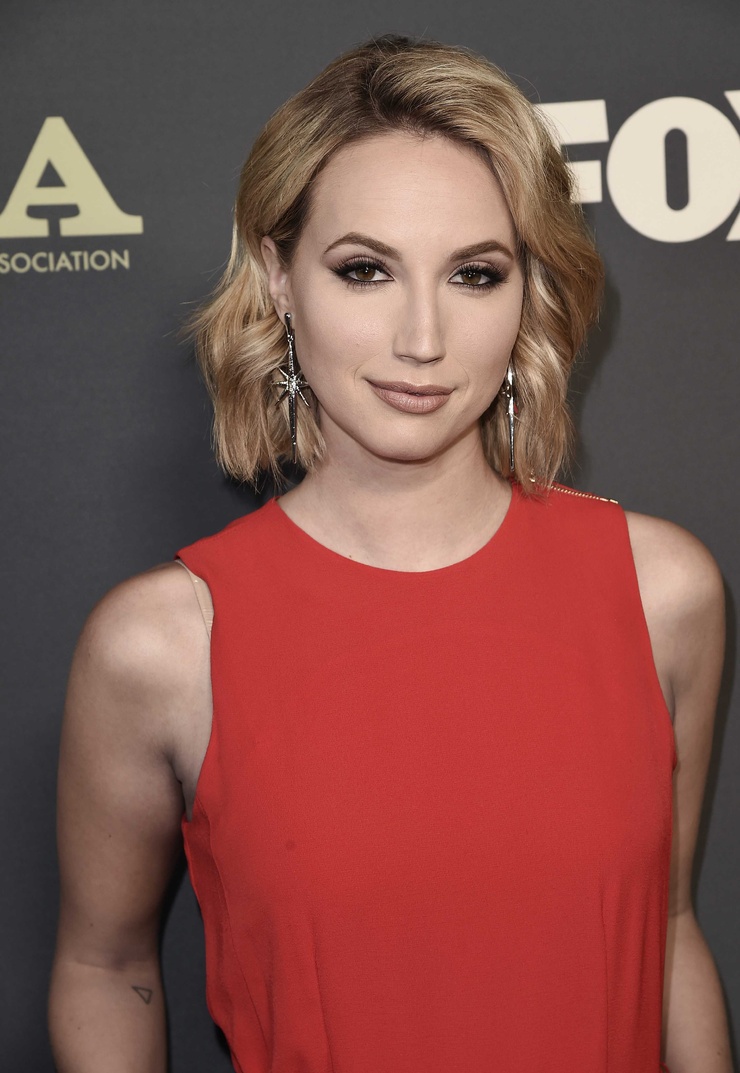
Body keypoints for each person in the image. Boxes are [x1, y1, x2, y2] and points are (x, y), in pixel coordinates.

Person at [48, 33, 731, 1073]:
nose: (422, 337)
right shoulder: (163, 644)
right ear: (278, 277)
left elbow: (666, 928)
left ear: (528, 290)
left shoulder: (660, 592)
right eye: (364, 270)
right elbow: (104, 965)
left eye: (474, 274)